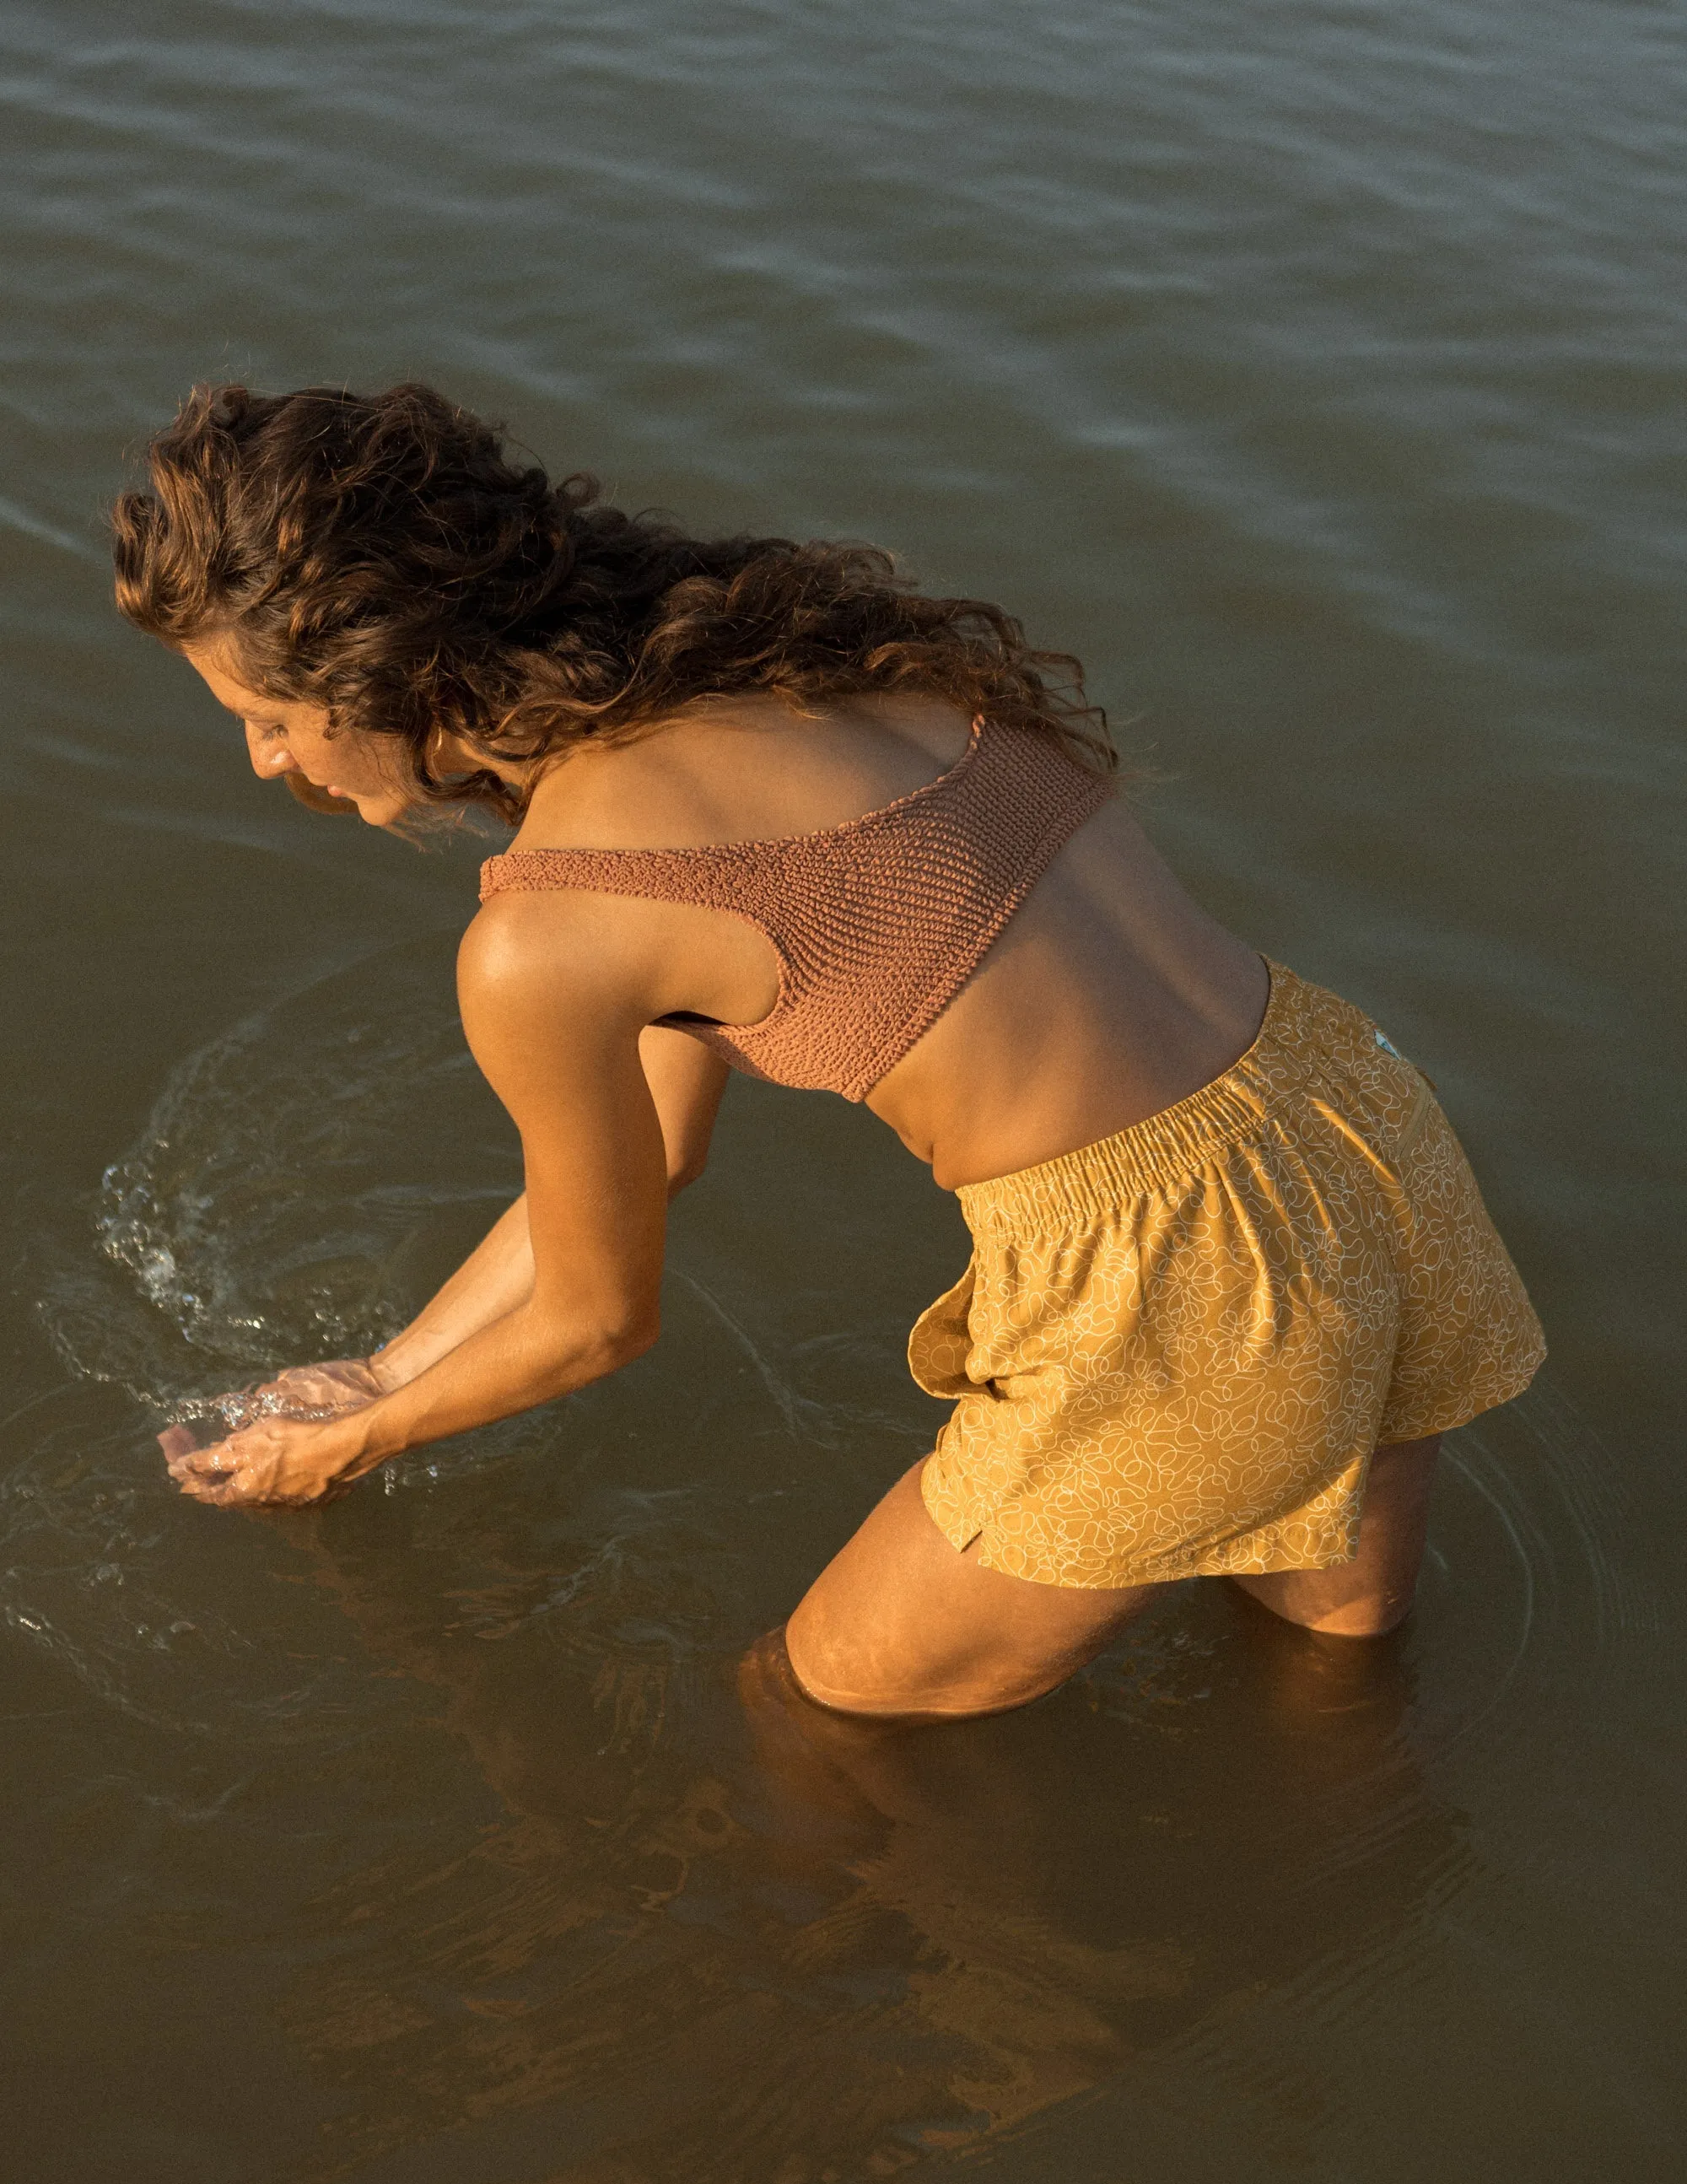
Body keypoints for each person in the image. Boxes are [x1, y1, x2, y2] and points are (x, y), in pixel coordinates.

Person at [112, 381, 1544, 1722]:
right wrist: (387, 1365)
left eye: (269, 719)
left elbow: (603, 1320)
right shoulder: (798, 664)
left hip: (1164, 1281)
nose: (265, 764)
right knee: (1331, 1694)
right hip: (1355, 1121)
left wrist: (348, 1444)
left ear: (383, 669)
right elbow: (656, 1156)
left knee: (810, 1720)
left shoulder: (542, 936)